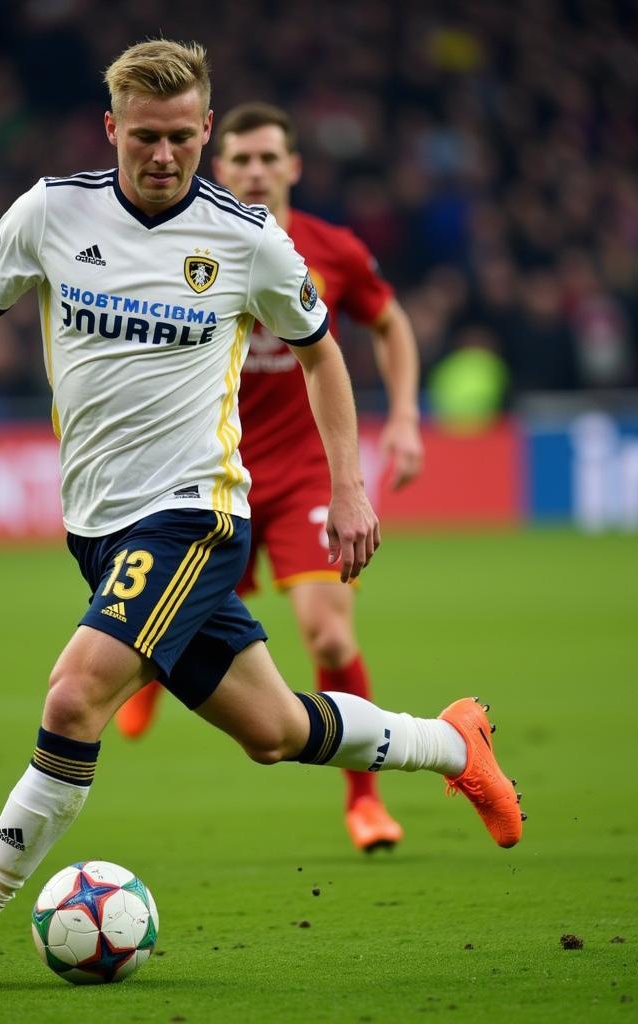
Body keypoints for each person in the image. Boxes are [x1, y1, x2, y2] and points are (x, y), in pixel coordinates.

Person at [0, 39, 523, 990]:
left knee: (73, 696)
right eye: (144, 136)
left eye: (183, 137)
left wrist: (349, 486)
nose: (164, 156)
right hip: (97, 529)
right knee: (272, 731)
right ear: (112, 129)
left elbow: (323, 353)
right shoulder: (53, 211)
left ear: (208, 132)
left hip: (195, 515)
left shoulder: (246, 239)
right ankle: (450, 740)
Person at [116, 102, 425, 853]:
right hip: (207, 471)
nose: (255, 172)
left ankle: (364, 802)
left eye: (268, 159)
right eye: (242, 161)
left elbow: (390, 323)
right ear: (219, 169)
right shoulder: (185, 242)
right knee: (175, 611)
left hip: (302, 475)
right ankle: (154, 670)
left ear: (293, 167)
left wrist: (408, 417)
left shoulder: (334, 251)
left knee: (326, 628)